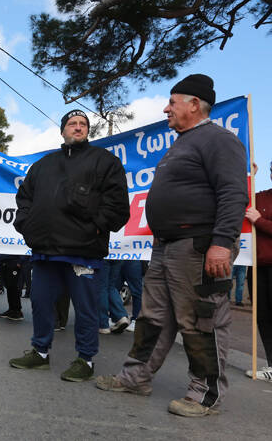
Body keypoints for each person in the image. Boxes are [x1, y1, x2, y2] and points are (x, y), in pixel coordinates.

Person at [96, 74, 248, 417]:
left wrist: (222, 243)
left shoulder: (219, 140)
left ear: (195, 104)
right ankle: (136, 377)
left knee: (201, 319)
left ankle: (203, 394)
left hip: (199, 245)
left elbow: (233, 193)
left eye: (172, 102)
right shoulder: (181, 142)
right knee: (153, 316)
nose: (166, 109)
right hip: (166, 246)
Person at [10, 108, 129, 382]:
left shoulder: (104, 161)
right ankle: (40, 353)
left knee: (86, 309)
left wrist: (95, 227)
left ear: (88, 130)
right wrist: (25, 224)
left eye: (83, 124)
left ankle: (85, 360)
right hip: (45, 251)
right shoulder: (44, 165)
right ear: (62, 130)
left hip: (82, 252)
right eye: (72, 123)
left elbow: (118, 205)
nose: (78, 127)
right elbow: (24, 198)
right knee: (40, 303)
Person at [244, 161, 272, 381]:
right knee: (262, 316)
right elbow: (242, 199)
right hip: (257, 266)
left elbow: (255, 219)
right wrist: (249, 175)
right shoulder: (261, 197)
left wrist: (259, 221)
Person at [97, 260, 130, 334]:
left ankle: (103, 325)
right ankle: (121, 316)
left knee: (102, 288)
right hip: (118, 255)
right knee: (111, 287)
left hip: (104, 256)